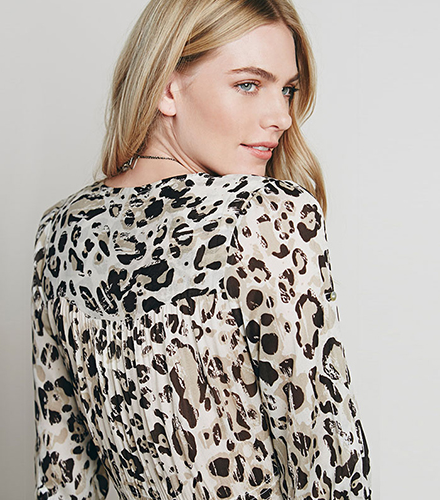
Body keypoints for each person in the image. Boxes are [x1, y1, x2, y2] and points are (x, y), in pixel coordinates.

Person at [31, 0, 371, 498]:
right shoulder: (264, 214)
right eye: (248, 84)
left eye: (288, 89)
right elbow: (323, 451)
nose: (281, 116)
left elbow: (64, 470)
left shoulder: (60, 230)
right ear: (167, 88)